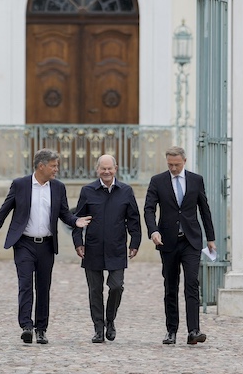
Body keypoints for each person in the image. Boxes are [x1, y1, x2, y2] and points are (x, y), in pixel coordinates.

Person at [0, 148, 92, 344]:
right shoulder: (20, 185)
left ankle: (41, 329)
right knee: (25, 284)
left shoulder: (58, 187)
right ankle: (26, 326)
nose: (56, 169)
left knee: (43, 287)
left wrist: (75, 222)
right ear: (41, 166)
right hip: (24, 243)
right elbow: (4, 210)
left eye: (57, 166)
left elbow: (64, 213)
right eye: (53, 166)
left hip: (46, 245)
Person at [143, 146, 216, 345]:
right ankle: (171, 330)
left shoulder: (196, 180)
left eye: (176, 164)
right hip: (167, 241)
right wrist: (153, 231)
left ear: (185, 161)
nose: (173, 168)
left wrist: (211, 238)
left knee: (192, 283)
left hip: (191, 241)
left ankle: (194, 330)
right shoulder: (157, 181)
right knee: (171, 286)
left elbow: (204, 209)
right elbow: (149, 209)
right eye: (170, 165)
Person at [72, 154, 142, 343]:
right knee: (95, 290)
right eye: (103, 168)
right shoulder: (87, 191)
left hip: (117, 248)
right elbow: (77, 219)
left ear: (116, 168)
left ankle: (110, 320)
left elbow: (134, 219)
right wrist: (78, 242)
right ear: (97, 170)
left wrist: (135, 242)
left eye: (110, 168)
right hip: (92, 248)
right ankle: (98, 328)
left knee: (116, 286)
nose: (106, 172)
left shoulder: (126, 191)